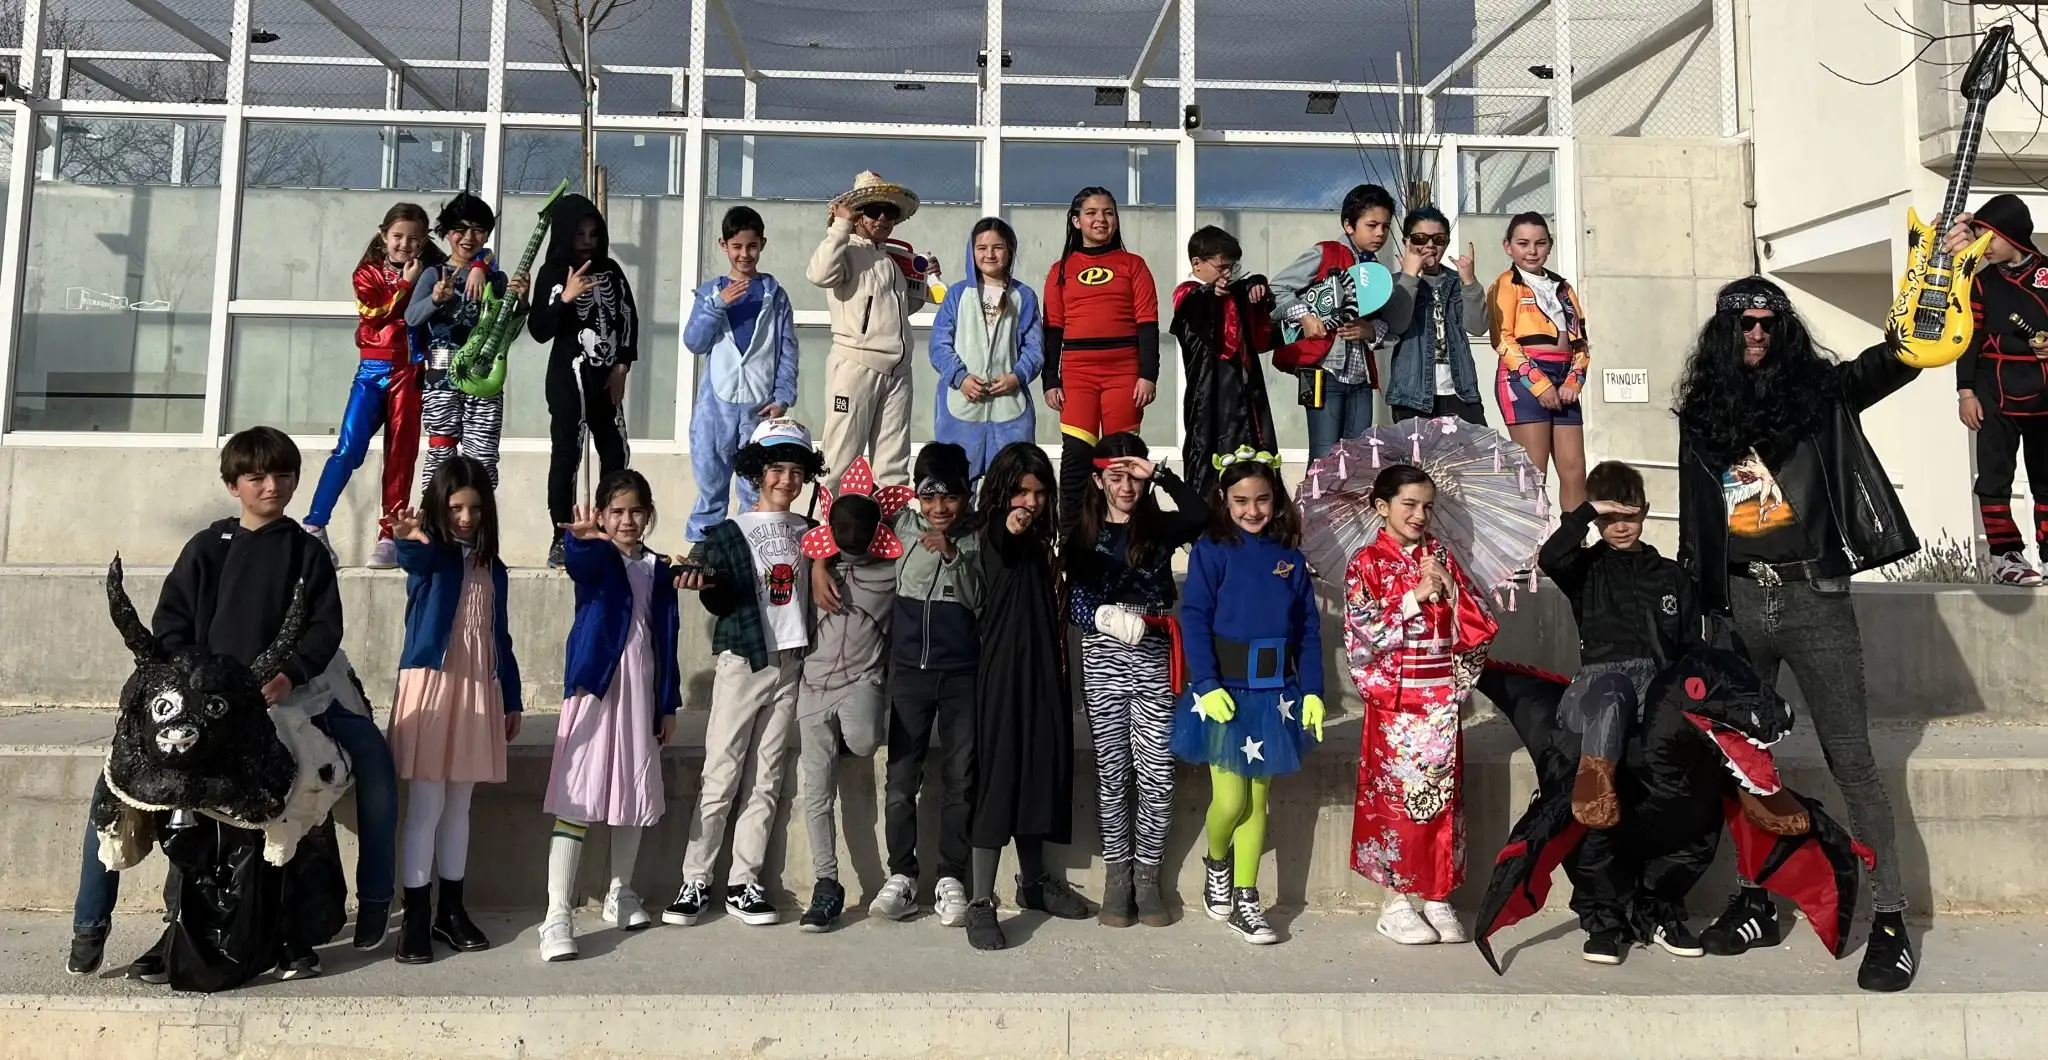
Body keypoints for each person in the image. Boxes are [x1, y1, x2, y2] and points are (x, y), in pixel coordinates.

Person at [68, 426, 397, 982]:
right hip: (201, 703)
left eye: (283, 475)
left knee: (374, 764)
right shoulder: (205, 548)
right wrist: (195, 685)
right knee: (116, 787)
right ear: (232, 484)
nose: (272, 486)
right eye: (257, 477)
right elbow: (171, 623)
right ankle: (90, 924)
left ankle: (375, 903)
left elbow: (323, 629)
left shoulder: (308, 552)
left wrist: (289, 675)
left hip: (296, 696)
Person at [1672, 275, 1922, 992]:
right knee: (1743, 762)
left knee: (1853, 762)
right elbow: (1695, 518)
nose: (1757, 333)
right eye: (1745, 323)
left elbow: (1895, 363)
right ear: (1724, 332)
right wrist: (1696, 605)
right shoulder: (1703, 413)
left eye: (1768, 323)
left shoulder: (1821, 396)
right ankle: (1754, 899)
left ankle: (1890, 919)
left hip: (1814, 596)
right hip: (1736, 601)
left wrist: (1931, 289)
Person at [666, 419, 824, 929]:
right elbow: (709, 584)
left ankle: (744, 882)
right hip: (742, 662)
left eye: (796, 470)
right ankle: (695, 879)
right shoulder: (728, 531)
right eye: (776, 468)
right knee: (722, 772)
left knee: (766, 777)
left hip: (791, 664)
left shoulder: (810, 532)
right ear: (757, 472)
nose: (786, 480)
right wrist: (697, 580)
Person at [1168, 449, 1326, 945]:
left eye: (1261, 499)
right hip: (1225, 693)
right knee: (1230, 799)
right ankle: (1217, 860)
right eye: (1241, 501)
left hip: (1274, 695)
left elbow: (1308, 630)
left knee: (1258, 802)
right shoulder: (1211, 550)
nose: (1252, 510)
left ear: (1275, 498)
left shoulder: (1289, 558)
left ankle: (1246, 898)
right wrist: (1206, 683)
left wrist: (1313, 691)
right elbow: (1194, 617)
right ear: (1224, 499)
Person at [1344, 463, 1498, 947]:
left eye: (1427, 507)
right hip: (1396, 703)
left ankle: (1437, 893)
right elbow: (1363, 635)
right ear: (1381, 506)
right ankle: (1395, 903)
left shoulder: (1441, 557)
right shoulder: (1365, 563)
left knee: (1443, 800)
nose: (1419, 515)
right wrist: (1414, 596)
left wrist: (1451, 588)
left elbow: (1479, 626)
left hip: (1440, 701)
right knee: (1395, 803)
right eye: (1408, 504)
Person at [540, 469, 683, 962]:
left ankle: (620, 892)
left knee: (633, 792)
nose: (626, 521)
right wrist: (580, 541)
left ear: (649, 515)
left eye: (636, 511)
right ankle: (557, 914)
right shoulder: (599, 557)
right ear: (601, 515)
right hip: (596, 692)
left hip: (640, 696)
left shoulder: (658, 568)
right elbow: (581, 565)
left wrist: (667, 704)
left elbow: (667, 639)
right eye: (616, 512)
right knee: (577, 796)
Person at [385, 455, 523, 964]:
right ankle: (415, 915)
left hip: (479, 689)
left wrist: (512, 697)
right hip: (434, 686)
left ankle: (451, 910)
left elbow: (501, 636)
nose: (466, 518)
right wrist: (407, 538)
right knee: (426, 804)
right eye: (456, 508)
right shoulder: (433, 554)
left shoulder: (494, 568)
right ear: (439, 509)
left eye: (475, 508)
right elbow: (414, 561)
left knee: (460, 805)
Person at [1069, 433, 1208, 928]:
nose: (1127, 486)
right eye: (1117, 476)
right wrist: (1101, 615)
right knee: (1112, 772)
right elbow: (1073, 594)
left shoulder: (1160, 525)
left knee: (1156, 773)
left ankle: (1148, 877)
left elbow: (1202, 516)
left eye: (1135, 476)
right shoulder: (1081, 530)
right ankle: (1117, 876)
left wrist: (1162, 476)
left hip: (1152, 650)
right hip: (1103, 653)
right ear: (1098, 480)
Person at [964, 442, 1093, 950]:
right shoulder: (995, 533)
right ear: (1002, 491)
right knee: (1000, 780)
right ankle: (981, 900)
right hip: (1003, 676)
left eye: (1039, 493)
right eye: (1021, 491)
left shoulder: (1046, 540)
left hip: (1045, 674)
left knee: (1040, 774)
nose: (1031, 503)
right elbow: (1004, 536)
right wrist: (1012, 522)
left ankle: (1035, 883)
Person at [1536, 461, 1700, 835]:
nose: (1621, 526)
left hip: (1656, 684)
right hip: (1597, 687)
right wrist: (1589, 510)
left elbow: (1691, 643)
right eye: (1609, 519)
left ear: (1645, 510)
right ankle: (1593, 790)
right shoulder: (1584, 568)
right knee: (1614, 692)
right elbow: (1549, 557)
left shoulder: (1671, 575)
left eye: (1629, 515)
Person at [791, 457, 906, 933]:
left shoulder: (894, 568)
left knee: (863, 741)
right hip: (813, 689)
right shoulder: (813, 566)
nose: (851, 533)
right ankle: (826, 883)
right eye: (841, 526)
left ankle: (849, 727)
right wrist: (820, 562)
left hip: (864, 682)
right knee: (816, 792)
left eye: (861, 525)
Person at [874, 442, 983, 928]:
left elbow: (980, 598)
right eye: (930, 497)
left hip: (961, 676)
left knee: (961, 779)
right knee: (901, 781)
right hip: (908, 676)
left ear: (966, 495)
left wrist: (955, 555)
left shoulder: (977, 537)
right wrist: (816, 567)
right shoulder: (900, 527)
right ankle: (901, 875)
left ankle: (951, 877)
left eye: (950, 497)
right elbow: (842, 537)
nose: (939, 508)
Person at [304, 202, 441, 568]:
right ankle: (314, 524)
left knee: (401, 456)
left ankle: (389, 535)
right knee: (348, 448)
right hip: (372, 370)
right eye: (398, 236)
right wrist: (406, 284)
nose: (405, 245)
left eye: (414, 239)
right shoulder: (367, 273)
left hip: (410, 372)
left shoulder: (433, 272)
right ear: (384, 236)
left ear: (425, 240)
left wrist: (479, 264)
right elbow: (375, 313)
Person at [1041, 187, 1161, 539]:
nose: (1101, 219)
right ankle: (1070, 543)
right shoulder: (1060, 270)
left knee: (1123, 459)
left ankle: (1130, 540)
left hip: (1124, 372)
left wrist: (1148, 374)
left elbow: (1148, 323)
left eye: (1108, 212)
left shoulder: (1133, 265)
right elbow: (1053, 329)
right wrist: (1050, 379)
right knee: (1077, 458)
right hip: (1077, 373)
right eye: (1091, 213)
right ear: (1076, 221)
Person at [529, 193, 638, 569]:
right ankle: (562, 536)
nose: (588, 241)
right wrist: (566, 298)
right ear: (564, 234)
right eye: (579, 234)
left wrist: (622, 366)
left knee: (617, 454)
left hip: (606, 380)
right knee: (567, 455)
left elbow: (627, 317)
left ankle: (612, 528)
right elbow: (539, 329)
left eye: (593, 233)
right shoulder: (552, 273)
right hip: (568, 378)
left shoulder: (612, 272)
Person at [1272, 183, 1418, 459]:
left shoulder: (1376, 270)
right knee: (1324, 456)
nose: (1380, 233)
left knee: (1356, 457)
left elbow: (1387, 327)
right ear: (1348, 225)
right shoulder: (1325, 253)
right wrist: (1305, 316)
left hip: (1361, 378)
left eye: (1386, 226)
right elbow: (1277, 288)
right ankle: (1316, 491)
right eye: (1372, 225)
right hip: (1321, 370)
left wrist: (1370, 330)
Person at [1947, 196, 2048, 585]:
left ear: (2013, 233)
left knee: (2046, 479)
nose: (1983, 245)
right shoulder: (1979, 282)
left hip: (2044, 391)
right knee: (1993, 478)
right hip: (1992, 389)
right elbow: (1967, 338)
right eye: (1979, 236)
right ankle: (2006, 557)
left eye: (1990, 236)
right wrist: (1965, 392)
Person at [807, 172, 932, 486]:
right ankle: (825, 516)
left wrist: (925, 279)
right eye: (874, 210)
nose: (883, 218)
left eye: (890, 212)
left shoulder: (892, 259)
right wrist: (840, 226)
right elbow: (819, 274)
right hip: (856, 365)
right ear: (858, 214)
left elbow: (902, 311)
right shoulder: (844, 249)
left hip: (898, 371)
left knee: (893, 464)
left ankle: (894, 516)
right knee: (839, 457)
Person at [686, 206, 799, 544]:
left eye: (751, 246)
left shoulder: (775, 296)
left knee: (755, 481)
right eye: (736, 246)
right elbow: (694, 341)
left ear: (762, 244)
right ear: (723, 246)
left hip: (758, 407)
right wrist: (716, 305)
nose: (744, 254)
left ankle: (752, 543)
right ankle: (704, 544)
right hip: (715, 408)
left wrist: (782, 397)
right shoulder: (711, 292)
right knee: (710, 476)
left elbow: (787, 349)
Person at [407, 193, 530, 489]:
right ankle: (434, 513)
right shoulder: (433, 273)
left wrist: (523, 302)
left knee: (483, 459)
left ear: (486, 234)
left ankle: (479, 515)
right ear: (447, 233)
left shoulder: (498, 279)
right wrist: (435, 299)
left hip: (484, 375)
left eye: (477, 229)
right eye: (459, 229)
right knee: (440, 455)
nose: (468, 237)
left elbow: (507, 334)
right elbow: (412, 317)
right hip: (441, 374)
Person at [1479, 212, 1589, 512]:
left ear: (1550, 245)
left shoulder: (1563, 287)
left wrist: (1574, 382)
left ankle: (1573, 539)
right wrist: (1539, 385)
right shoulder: (1505, 284)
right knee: (1533, 474)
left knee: (1575, 472)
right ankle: (1533, 539)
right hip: (1523, 379)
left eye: (1540, 243)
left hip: (1564, 377)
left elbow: (1581, 342)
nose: (1532, 251)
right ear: (1508, 247)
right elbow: (1502, 339)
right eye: (1523, 243)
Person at [930, 217, 1043, 481]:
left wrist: (1016, 377)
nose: (989, 254)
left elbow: (1034, 348)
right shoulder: (957, 295)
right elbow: (939, 345)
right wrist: (960, 378)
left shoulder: (1024, 296)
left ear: (1010, 251)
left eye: (997, 247)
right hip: (960, 408)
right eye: (981, 248)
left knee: (1010, 483)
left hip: (1009, 410)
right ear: (972, 252)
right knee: (956, 484)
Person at [1171, 225, 1279, 497]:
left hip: (1245, 392)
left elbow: (1260, 325)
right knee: (1208, 460)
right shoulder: (1188, 295)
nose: (1227, 274)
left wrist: (1257, 284)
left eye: (1232, 267)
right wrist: (1211, 293)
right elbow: (1194, 308)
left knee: (1254, 454)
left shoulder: (1231, 294)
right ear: (1197, 263)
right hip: (1209, 395)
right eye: (1222, 267)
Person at [1386, 207, 1486, 425]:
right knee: (1417, 449)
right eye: (1420, 238)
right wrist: (1409, 276)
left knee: (1475, 447)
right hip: (1412, 395)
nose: (1430, 245)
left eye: (1439, 239)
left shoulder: (1459, 282)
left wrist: (1470, 282)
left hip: (1461, 392)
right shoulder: (1395, 283)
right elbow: (1395, 326)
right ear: (1406, 242)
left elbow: (1478, 327)